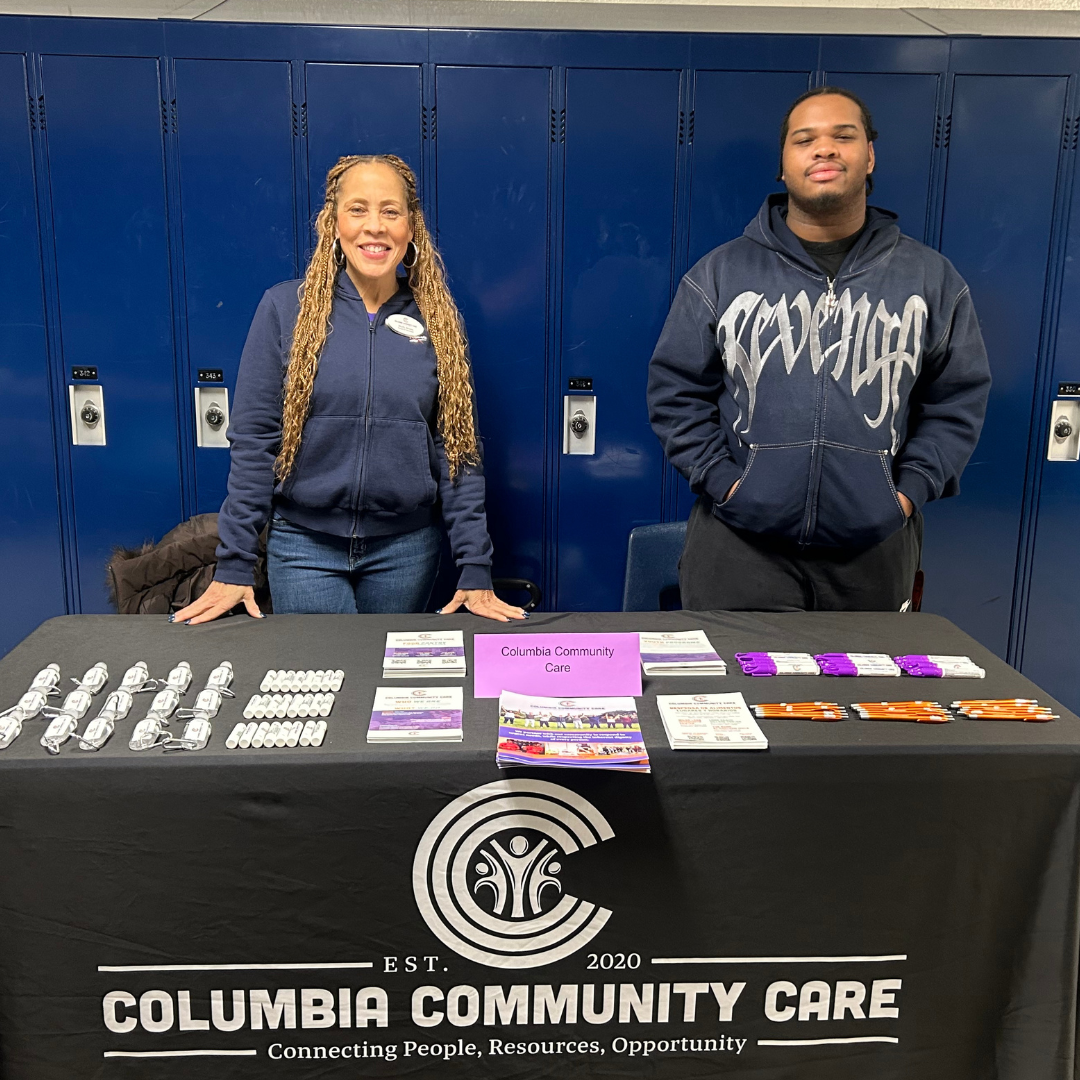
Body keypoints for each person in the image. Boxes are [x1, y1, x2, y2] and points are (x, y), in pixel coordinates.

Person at [647, 87, 991, 611]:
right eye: (804, 139)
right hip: (738, 550)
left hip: (874, 553)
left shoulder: (930, 279)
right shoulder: (720, 274)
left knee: (863, 695)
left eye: (843, 136)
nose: (824, 149)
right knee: (728, 693)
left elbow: (957, 401)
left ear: (869, 156)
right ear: (782, 167)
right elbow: (676, 394)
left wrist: (904, 494)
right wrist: (728, 485)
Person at [174, 154, 525, 624]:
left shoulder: (438, 319)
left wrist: (475, 569)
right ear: (333, 223)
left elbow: (458, 452)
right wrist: (235, 562)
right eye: (357, 209)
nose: (374, 226)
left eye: (390, 211)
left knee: (385, 686)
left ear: (411, 225)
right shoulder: (285, 309)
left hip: (405, 551)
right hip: (304, 546)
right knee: (322, 681)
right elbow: (256, 441)